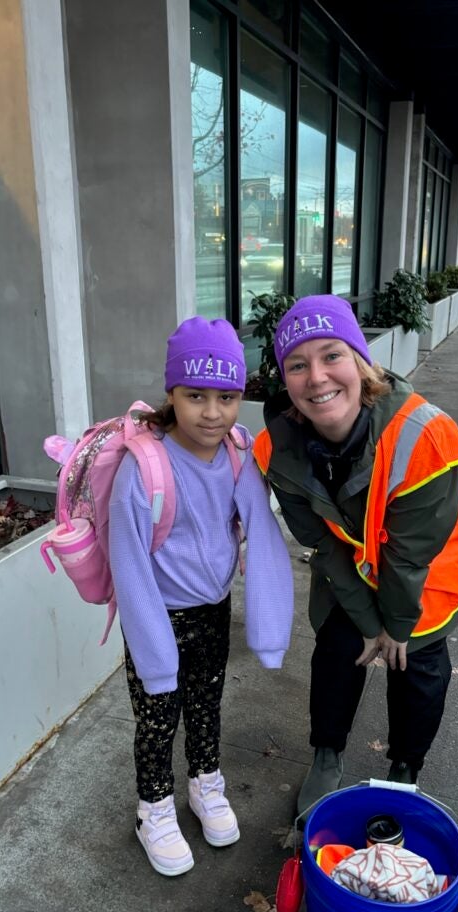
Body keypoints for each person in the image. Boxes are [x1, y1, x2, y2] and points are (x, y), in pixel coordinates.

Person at [253, 295, 458, 818]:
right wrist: (363, 620)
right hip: (355, 558)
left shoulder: (424, 435)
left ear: (362, 363)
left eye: (332, 355)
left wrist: (395, 628)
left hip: (430, 562)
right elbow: (324, 544)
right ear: (285, 381)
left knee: (417, 659)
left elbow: (408, 559)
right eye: (297, 364)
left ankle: (405, 769)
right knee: (339, 644)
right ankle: (326, 753)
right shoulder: (277, 450)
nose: (316, 377)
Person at [109, 317, 293, 876]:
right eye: (195, 396)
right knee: (158, 717)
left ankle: (204, 784)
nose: (212, 412)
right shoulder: (143, 467)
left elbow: (263, 536)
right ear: (171, 394)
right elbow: (130, 567)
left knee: (206, 706)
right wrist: (156, 658)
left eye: (228, 397)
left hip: (212, 611)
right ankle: (154, 808)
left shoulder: (237, 455)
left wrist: (267, 632)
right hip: (156, 617)